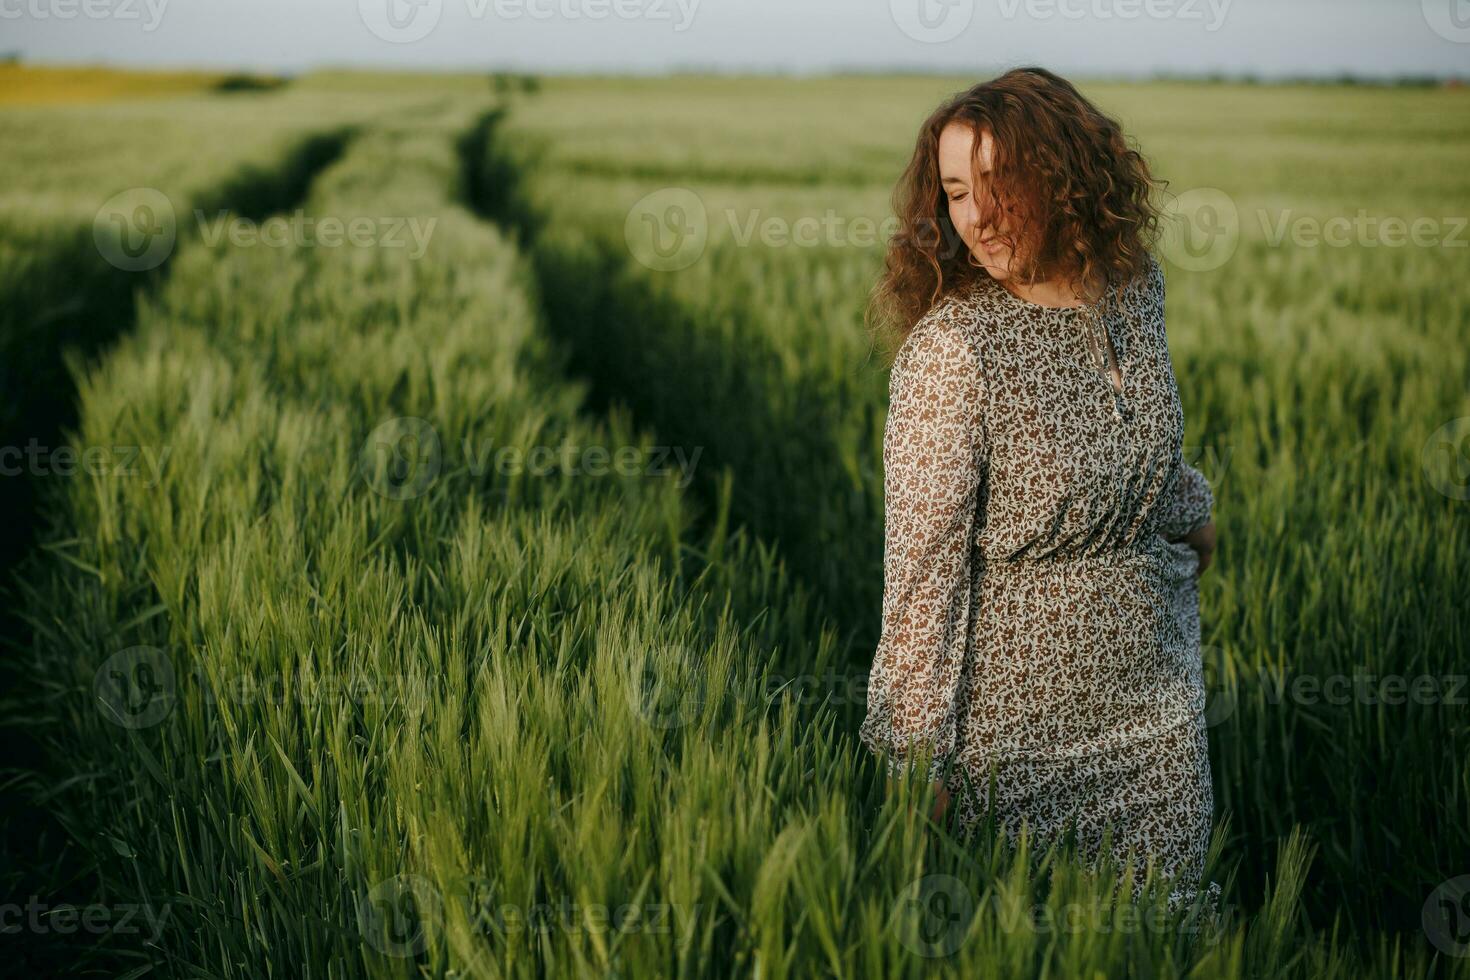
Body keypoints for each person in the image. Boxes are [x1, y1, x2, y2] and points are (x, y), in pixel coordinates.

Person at [860, 66, 1221, 912]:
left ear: (1062, 179)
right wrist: (913, 756)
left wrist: (1188, 509)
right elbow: (923, 572)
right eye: (954, 192)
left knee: (1167, 933)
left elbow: (1141, 435)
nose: (976, 215)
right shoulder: (955, 351)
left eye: (998, 184)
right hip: (1019, 738)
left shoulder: (1132, 289)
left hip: (1158, 706)